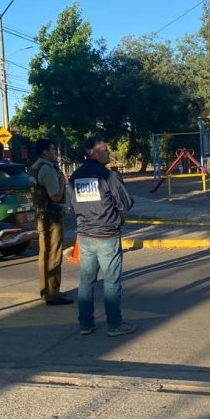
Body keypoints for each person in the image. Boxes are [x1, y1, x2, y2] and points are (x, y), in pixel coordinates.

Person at [69, 136, 136, 337]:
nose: (108, 152)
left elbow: (72, 205)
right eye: (104, 149)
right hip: (107, 234)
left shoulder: (75, 177)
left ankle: (85, 324)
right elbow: (126, 203)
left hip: (85, 235)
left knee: (86, 281)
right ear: (93, 152)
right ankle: (114, 324)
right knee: (111, 282)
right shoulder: (108, 176)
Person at [30, 138, 73, 306]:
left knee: (45, 254)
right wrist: (62, 182)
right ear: (45, 152)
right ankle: (52, 293)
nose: (56, 153)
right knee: (53, 254)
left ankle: (46, 291)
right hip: (51, 217)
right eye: (53, 149)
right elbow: (55, 195)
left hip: (42, 216)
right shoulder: (47, 169)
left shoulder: (35, 167)